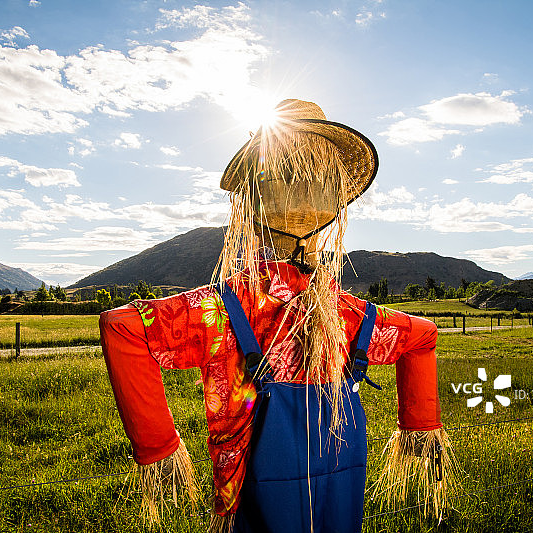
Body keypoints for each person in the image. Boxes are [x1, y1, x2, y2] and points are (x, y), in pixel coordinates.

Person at [99, 99, 457, 532]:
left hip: (263, 493)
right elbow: (421, 336)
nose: (308, 195)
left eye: (318, 182)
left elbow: (125, 328)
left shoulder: (223, 312)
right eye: (294, 178)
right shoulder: (345, 314)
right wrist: (421, 427)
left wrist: (159, 448)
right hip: (326, 496)